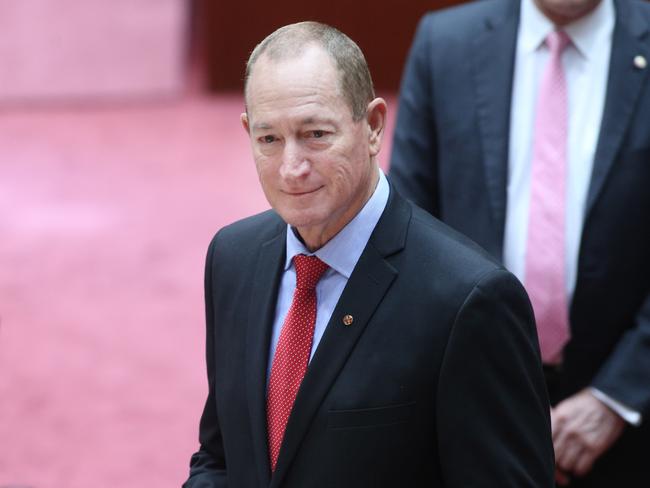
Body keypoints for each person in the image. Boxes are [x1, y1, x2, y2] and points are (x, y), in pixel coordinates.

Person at [183, 21, 554, 488]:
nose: (292, 167)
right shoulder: (232, 259)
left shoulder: (469, 300)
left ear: (374, 125)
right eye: (269, 139)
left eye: (316, 134)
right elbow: (221, 458)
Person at [389, 0, 650, 486]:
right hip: (472, 407)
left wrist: (617, 396)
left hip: (631, 414)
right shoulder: (444, 44)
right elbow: (406, 232)